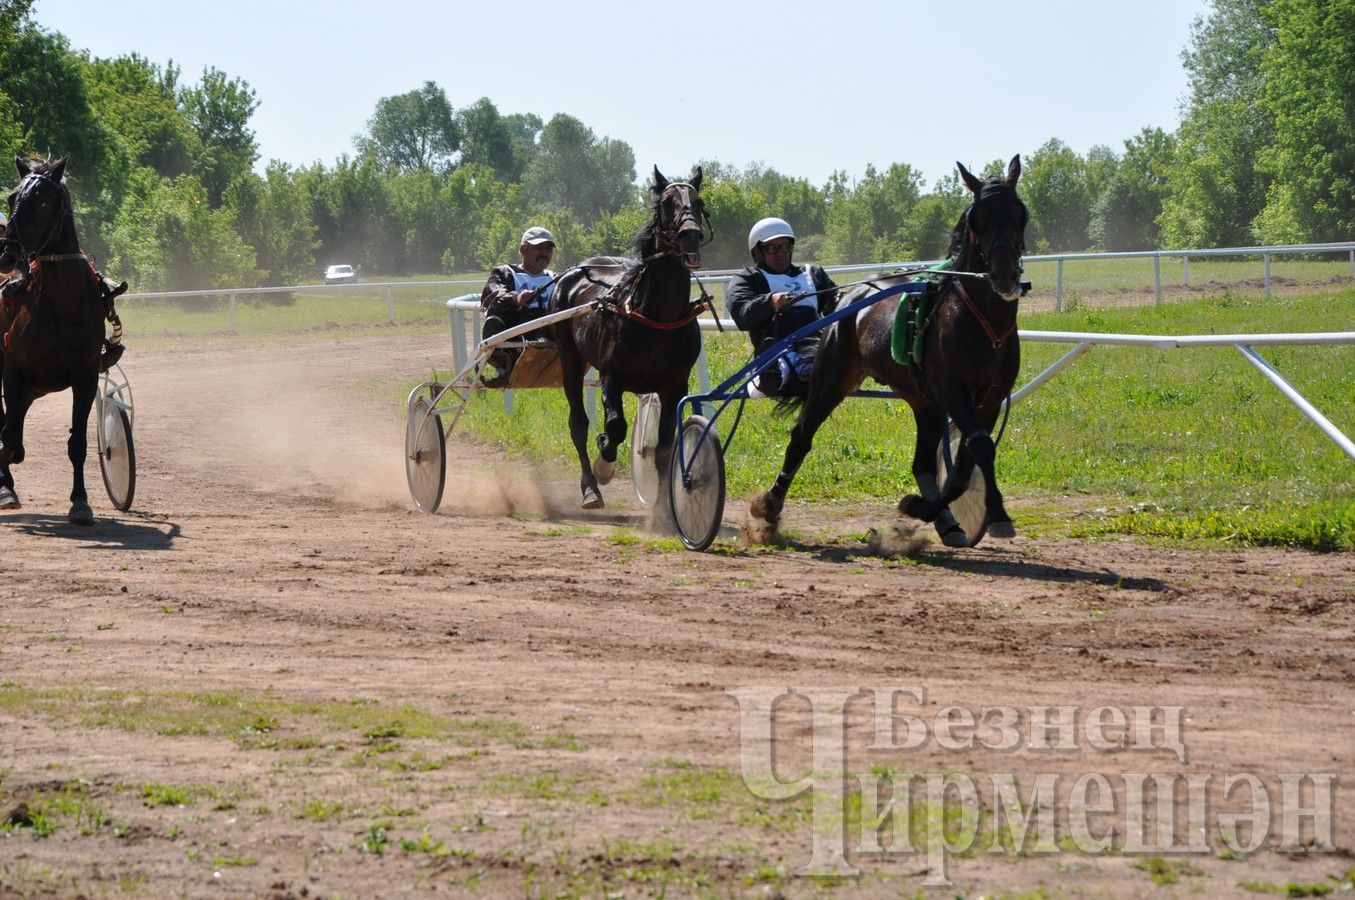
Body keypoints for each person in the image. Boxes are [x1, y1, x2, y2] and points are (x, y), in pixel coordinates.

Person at [725, 217, 837, 397]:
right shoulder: (748, 278)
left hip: (815, 346)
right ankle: (775, 373)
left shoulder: (813, 275)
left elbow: (837, 307)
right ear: (758, 252)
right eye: (773, 248)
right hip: (776, 348)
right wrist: (770, 302)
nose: (781, 253)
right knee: (790, 362)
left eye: (785, 247)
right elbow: (742, 315)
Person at [478, 226, 557, 387]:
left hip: (552, 340)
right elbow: (493, 299)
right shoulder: (504, 273)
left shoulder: (555, 278)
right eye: (538, 248)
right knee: (495, 321)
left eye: (548, 248)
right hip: (515, 342)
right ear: (523, 249)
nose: (544, 253)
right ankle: (504, 363)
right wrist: (516, 298)